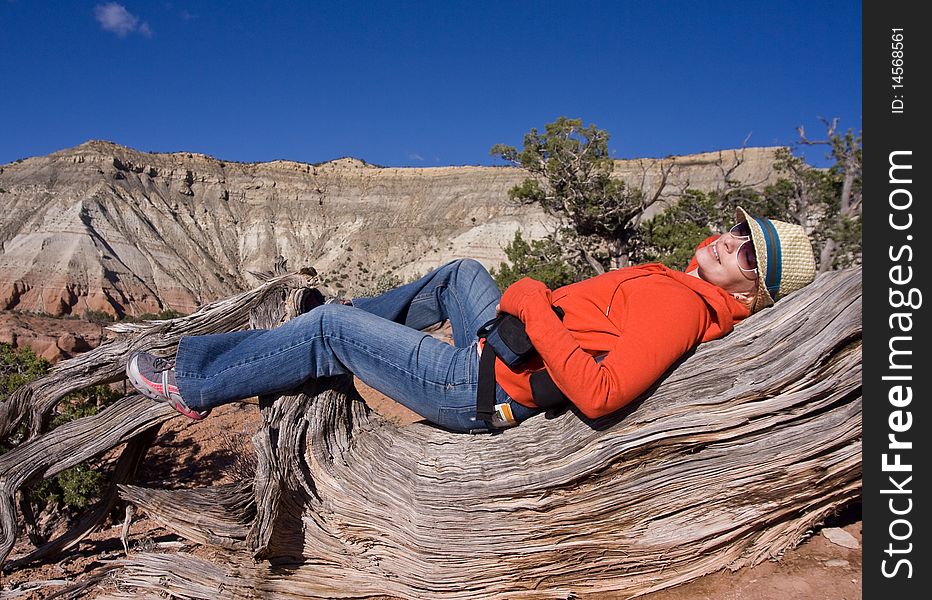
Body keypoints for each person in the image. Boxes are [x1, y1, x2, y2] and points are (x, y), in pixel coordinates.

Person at [126, 207, 816, 432]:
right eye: (739, 230)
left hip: (479, 388)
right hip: (501, 350)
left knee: (335, 327)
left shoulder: (681, 304)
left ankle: (192, 381)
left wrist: (534, 303)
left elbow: (602, 396)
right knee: (460, 273)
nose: (732, 241)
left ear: (754, 285)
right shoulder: (677, 283)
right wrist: (527, 307)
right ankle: (315, 333)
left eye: (749, 251)